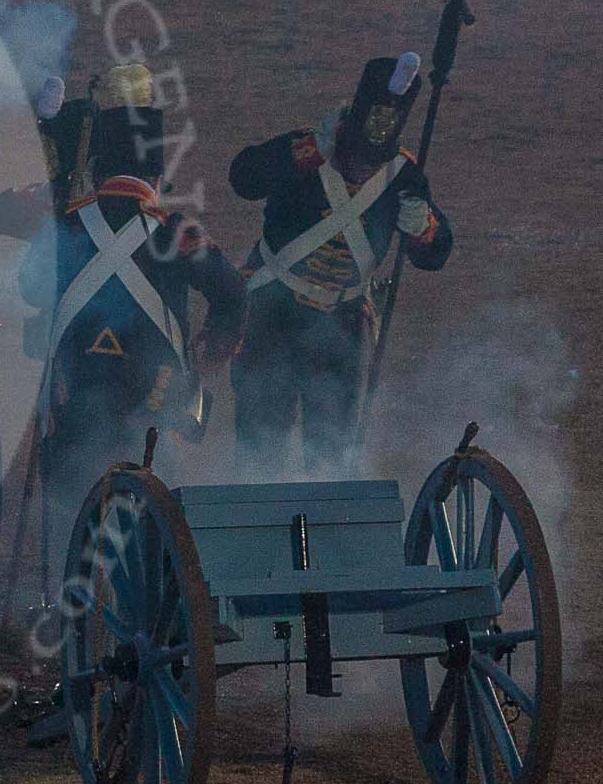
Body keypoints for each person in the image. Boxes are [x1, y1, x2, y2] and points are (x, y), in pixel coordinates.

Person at [25, 66, 246, 518]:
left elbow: (30, 285)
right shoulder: (174, 231)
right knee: (150, 520)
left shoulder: (69, 226)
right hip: (155, 401)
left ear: (101, 166)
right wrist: (208, 354)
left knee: (74, 515)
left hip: (78, 396)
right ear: (155, 173)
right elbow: (232, 294)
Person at [228, 52, 453, 477]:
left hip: (342, 325)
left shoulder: (405, 177)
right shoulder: (307, 148)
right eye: (359, 158)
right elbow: (243, 177)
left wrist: (424, 227)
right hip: (273, 313)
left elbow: (435, 253)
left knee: (331, 458)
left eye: (373, 163)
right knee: (260, 449)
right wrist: (302, 153)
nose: (365, 168)